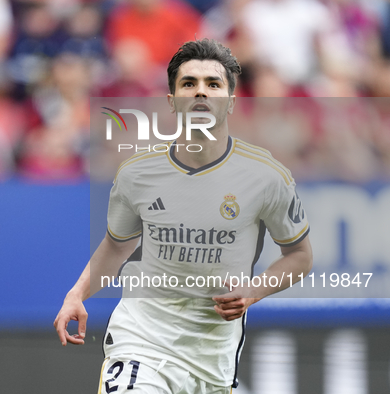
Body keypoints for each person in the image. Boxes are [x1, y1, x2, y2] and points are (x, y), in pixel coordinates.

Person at [54, 39, 313, 393]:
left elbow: (299, 256)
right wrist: (77, 294)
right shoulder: (136, 174)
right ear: (173, 100)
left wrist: (253, 291)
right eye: (189, 84)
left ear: (231, 101)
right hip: (140, 342)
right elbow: (116, 247)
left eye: (213, 84)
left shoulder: (267, 177)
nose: (201, 93)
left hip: (212, 361)